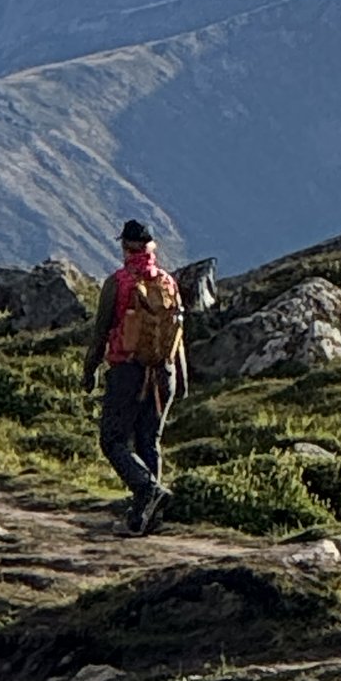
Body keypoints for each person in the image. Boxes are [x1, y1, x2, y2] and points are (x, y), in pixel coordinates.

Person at [83, 219, 187, 533]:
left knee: (113, 440)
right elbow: (178, 332)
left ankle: (146, 490)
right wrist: (181, 378)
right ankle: (148, 518)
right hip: (162, 373)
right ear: (151, 248)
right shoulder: (168, 282)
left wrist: (90, 371)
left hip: (127, 371)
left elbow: (101, 332)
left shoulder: (118, 283)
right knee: (149, 441)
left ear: (125, 248)